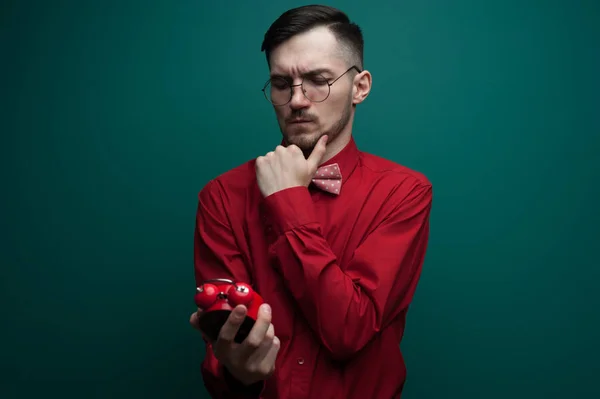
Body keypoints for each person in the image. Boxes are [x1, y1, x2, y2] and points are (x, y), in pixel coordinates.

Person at [189, 4, 433, 398]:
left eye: (318, 80)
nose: (297, 100)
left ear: (360, 87)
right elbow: (225, 351)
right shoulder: (222, 196)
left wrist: (286, 202)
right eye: (282, 83)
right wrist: (238, 372)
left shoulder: (404, 192)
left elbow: (349, 332)